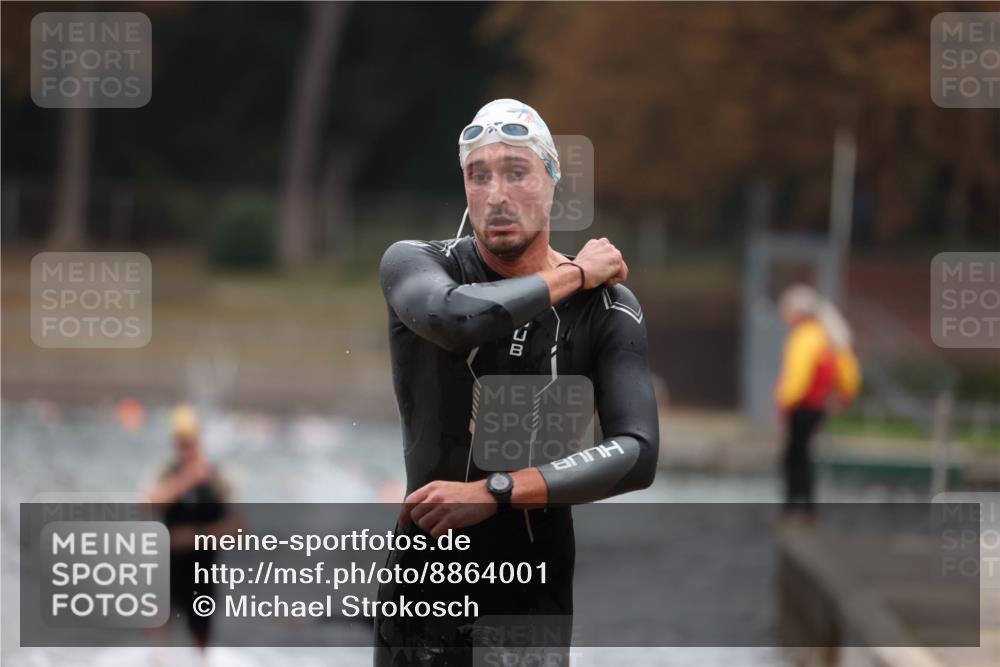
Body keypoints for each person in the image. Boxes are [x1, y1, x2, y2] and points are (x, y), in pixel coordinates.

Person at [375, 98, 660, 665]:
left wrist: (494, 494)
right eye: (479, 175)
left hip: (531, 596)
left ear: (554, 181)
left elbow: (637, 453)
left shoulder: (606, 309)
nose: (497, 194)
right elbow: (456, 322)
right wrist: (573, 274)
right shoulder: (419, 265)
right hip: (425, 590)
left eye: (516, 172)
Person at [142, 403, 241, 652]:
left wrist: (198, 536)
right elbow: (148, 502)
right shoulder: (166, 472)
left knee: (201, 634)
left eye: (189, 442)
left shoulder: (220, 478)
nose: (184, 448)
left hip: (203, 570)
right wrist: (186, 479)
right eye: (180, 442)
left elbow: (240, 529)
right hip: (168, 569)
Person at [774, 284, 861, 523]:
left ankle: (793, 509)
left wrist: (784, 401)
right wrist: (844, 396)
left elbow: (798, 378)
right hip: (818, 407)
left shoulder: (804, 337)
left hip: (801, 407)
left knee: (794, 457)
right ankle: (807, 509)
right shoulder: (828, 336)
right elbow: (849, 374)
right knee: (803, 455)